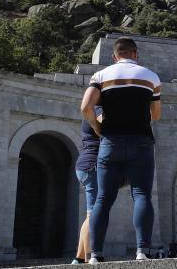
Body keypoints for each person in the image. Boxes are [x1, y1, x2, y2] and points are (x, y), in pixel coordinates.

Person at [82, 37, 162, 263]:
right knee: (141, 195)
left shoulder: (100, 76)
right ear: (135, 54)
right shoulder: (151, 77)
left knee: (103, 199)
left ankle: (95, 255)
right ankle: (142, 252)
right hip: (141, 142)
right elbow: (155, 115)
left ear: (114, 55)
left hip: (110, 142)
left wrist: (98, 128)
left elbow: (86, 107)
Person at [72, 105, 104, 264]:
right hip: (93, 166)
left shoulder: (93, 109)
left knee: (89, 215)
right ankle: (89, 257)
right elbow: (105, 122)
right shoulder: (98, 109)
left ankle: (78, 258)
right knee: (93, 215)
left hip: (85, 166)